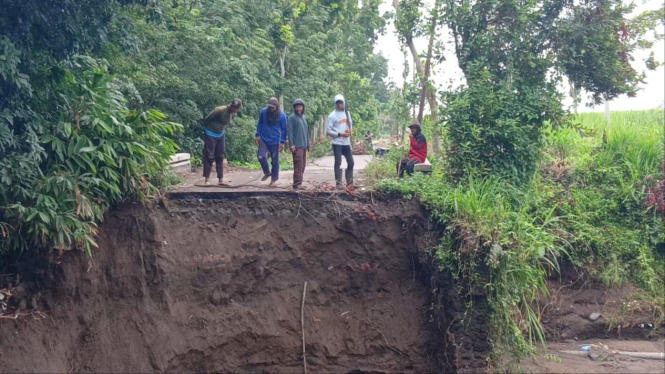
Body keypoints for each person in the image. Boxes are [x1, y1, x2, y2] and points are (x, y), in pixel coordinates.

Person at [202, 99, 242, 186]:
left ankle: (221, 179)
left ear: (237, 109)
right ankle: (207, 179)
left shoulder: (233, 114)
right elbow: (207, 119)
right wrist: (206, 131)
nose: (233, 109)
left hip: (220, 134)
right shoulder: (220, 110)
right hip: (210, 133)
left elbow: (225, 124)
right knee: (209, 156)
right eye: (232, 107)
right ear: (231, 105)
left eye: (235, 108)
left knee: (220, 156)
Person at [255, 97, 287, 187]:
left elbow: (284, 130)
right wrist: (257, 135)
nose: (271, 109)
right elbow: (260, 123)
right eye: (270, 107)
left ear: (277, 107)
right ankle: (267, 172)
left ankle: (273, 180)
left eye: (273, 107)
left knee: (274, 161)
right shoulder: (263, 112)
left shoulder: (282, 116)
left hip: (275, 141)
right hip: (264, 139)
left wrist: (282, 142)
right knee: (261, 156)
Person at [326, 94, 354, 191]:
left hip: (346, 142)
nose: (339, 105)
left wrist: (350, 131)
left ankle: (349, 183)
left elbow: (350, 124)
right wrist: (339, 134)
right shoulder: (332, 116)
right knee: (338, 162)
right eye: (337, 103)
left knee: (351, 162)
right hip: (337, 142)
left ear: (344, 103)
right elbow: (328, 131)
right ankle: (338, 184)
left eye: (341, 103)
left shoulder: (347, 113)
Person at [287, 99, 310, 190]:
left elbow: (306, 132)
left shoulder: (303, 117)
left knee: (303, 165)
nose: (298, 108)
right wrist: (291, 144)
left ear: (303, 107)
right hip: (297, 146)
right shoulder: (292, 118)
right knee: (298, 166)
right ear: (294, 108)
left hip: (304, 145)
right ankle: (296, 184)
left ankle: (299, 182)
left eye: (300, 107)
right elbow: (290, 132)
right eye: (296, 107)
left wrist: (308, 144)